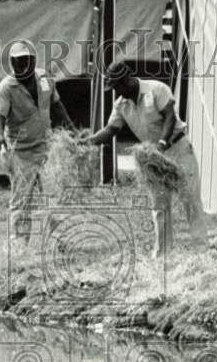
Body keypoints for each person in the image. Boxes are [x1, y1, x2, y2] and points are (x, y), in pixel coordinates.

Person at [86, 60, 206, 257]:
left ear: (127, 80)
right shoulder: (121, 105)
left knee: (190, 198)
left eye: (117, 87)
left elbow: (170, 117)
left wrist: (162, 144)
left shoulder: (156, 89)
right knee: (159, 203)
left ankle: (202, 250)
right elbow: (110, 130)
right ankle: (163, 253)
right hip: (152, 158)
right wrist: (88, 141)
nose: (117, 92)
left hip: (177, 148)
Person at [0, 41, 74, 243]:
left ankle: (59, 240)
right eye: (16, 62)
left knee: (54, 194)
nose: (20, 66)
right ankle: (19, 243)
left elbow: (56, 104)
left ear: (33, 60)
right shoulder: (6, 88)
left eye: (24, 61)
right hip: (20, 152)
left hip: (46, 146)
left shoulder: (45, 78)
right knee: (22, 199)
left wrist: (70, 126)